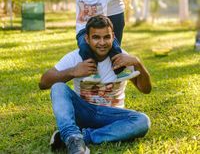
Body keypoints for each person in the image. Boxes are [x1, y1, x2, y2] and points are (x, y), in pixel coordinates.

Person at [39, 15, 151, 154]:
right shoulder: (76, 57)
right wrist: (73, 71)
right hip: (85, 113)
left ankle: (80, 138)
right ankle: (71, 134)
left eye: (106, 37)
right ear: (87, 38)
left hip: (111, 116)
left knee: (142, 121)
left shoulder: (122, 58)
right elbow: (43, 82)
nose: (102, 42)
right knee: (58, 87)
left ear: (113, 37)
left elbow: (145, 89)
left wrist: (138, 63)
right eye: (96, 37)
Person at [64, 0, 125, 75]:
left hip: (102, 29)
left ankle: (119, 71)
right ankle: (92, 73)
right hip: (83, 30)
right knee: (84, 49)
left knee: (115, 47)